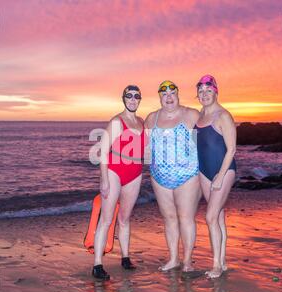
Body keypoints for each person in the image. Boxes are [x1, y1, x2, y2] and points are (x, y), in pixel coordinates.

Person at [145, 80, 201, 272]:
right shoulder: (151, 118)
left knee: (186, 217)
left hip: (188, 174)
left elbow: (208, 138)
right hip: (159, 176)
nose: (168, 98)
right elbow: (146, 147)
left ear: (177, 95)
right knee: (169, 217)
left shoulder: (191, 114)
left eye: (172, 94)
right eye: (164, 95)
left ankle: (187, 261)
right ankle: (173, 259)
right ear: (160, 97)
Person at [93, 85, 146, 280]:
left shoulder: (141, 122)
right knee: (107, 219)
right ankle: (97, 265)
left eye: (136, 96)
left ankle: (125, 258)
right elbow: (103, 152)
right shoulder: (116, 121)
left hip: (135, 173)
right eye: (129, 96)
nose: (133, 99)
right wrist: (105, 179)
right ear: (123, 99)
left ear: (140, 99)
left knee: (125, 218)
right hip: (115, 172)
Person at [194, 75, 237, 278]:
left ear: (216, 91)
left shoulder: (223, 116)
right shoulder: (200, 115)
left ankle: (216, 265)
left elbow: (231, 149)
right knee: (218, 216)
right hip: (203, 171)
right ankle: (223, 261)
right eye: (201, 91)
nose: (204, 94)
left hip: (224, 171)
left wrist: (220, 176)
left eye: (208, 90)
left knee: (210, 217)